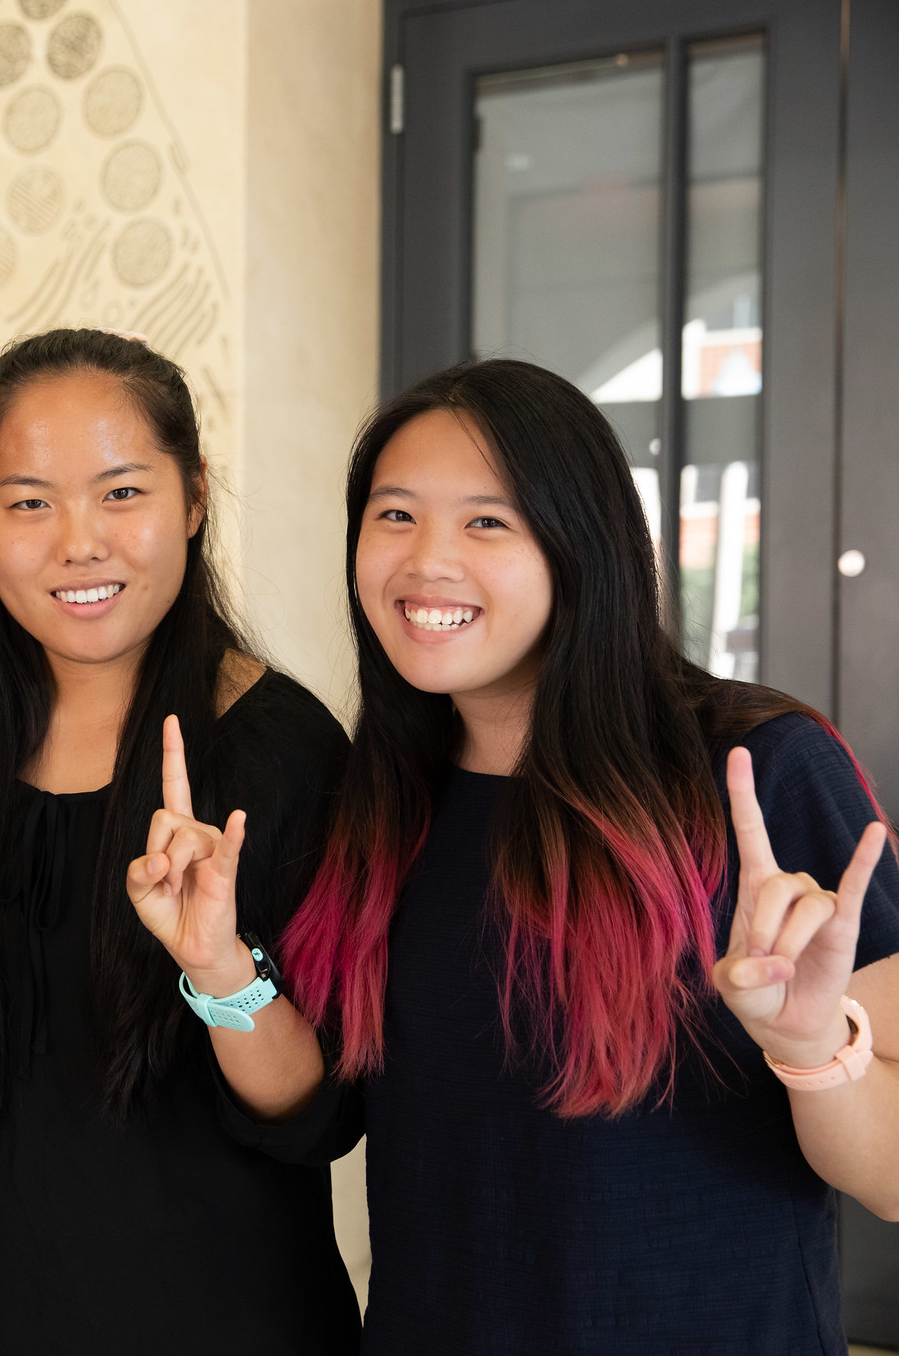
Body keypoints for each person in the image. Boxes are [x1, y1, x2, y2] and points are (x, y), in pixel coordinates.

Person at [280, 357, 899, 1353]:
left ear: (581, 544)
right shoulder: (378, 796)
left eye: (487, 521)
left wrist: (808, 1043)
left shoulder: (758, 771)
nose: (424, 560)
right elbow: (333, 1114)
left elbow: (891, 1175)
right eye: (393, 516)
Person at [0, 328, 361, 1354]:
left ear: (193, 497)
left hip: (221, 1322)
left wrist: (220, 967)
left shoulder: (282, 749)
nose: (76, 542)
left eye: (121, 493)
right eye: (28, 502)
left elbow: (317, 1112)